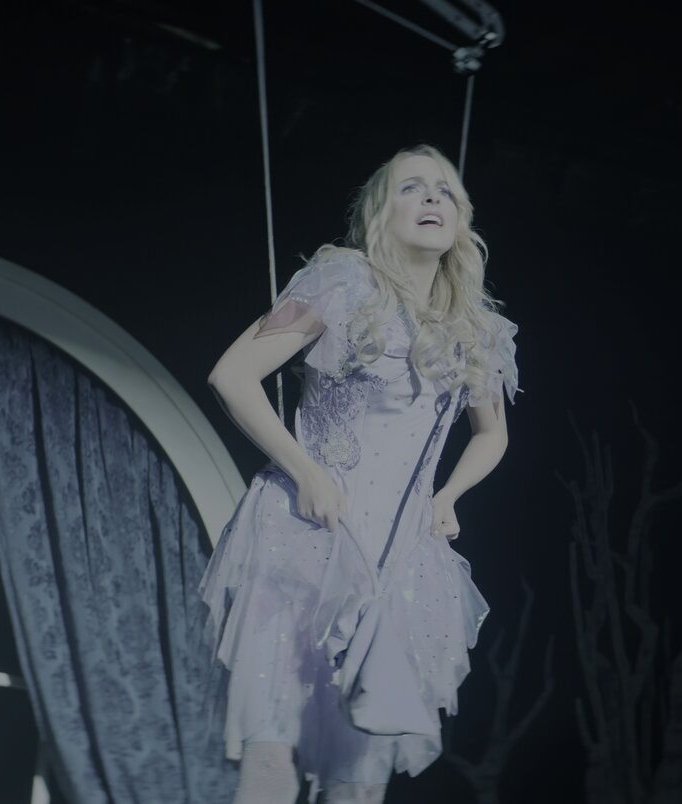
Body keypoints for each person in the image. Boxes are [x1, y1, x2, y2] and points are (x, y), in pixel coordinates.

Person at [202, 144, 521, 804]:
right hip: (302, 538)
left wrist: (450, 494)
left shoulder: (478, 329)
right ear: (380, 211)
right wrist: (306, 472)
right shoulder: (341, 284)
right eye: (412, 187)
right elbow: (232, 376)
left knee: (358, 776)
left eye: (444, 189)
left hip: (401, 559)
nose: (432, 197)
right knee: (272, 748)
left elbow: (492, 433)